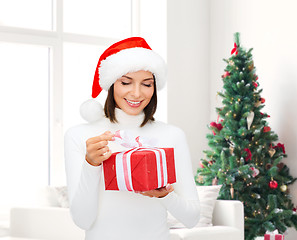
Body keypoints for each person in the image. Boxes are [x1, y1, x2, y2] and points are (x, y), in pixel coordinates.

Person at [64, 37, 200, 240]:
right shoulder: (80, 136)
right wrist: (91, 164)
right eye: (126, 82)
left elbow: (192, 218)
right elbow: (83, 220)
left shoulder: (171, 136)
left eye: (147, 84)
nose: (136, 93)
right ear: (111, 84)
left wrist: (165, 195)